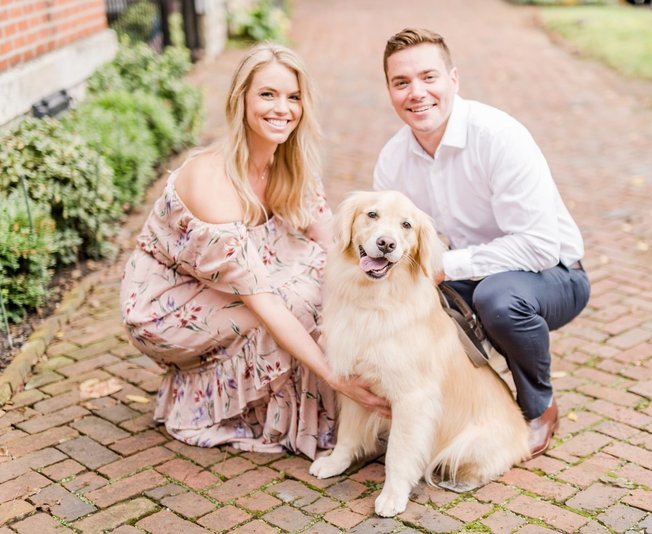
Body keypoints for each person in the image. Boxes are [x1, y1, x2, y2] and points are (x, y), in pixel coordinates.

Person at [120, 43, 389, 459]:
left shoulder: (291, 162)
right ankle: (264, 415)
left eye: (293, 97)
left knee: (325, 277)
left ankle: (339, 402)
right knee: (294, 303)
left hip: (246, 269)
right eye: (267, 94)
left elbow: (334, 246)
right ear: (241, 98)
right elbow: (264, 300)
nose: (282, 108)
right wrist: (336, 377)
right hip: (169, 302)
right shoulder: (213, 180)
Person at [373, 28, 590, 457]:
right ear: (390, 91)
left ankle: (539, 406)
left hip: (555, 275)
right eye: (401, 82)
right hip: (468, 273)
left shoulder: (498, 136)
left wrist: (444, 268)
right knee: (406, 302)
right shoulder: (393, 160)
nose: (416, 93)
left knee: (498, 299)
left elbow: (540, 247)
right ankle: (444, 411)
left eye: (429, 77)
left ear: (454, 79)